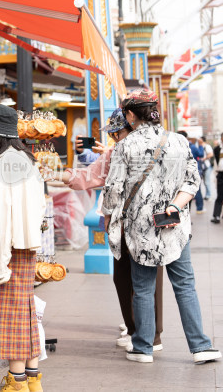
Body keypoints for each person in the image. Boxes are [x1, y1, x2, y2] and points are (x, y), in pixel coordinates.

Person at [102, 88, 221, 365]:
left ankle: (143, 348)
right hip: (175, 226)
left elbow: (113, 190)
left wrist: (109, 217)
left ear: (131, 115)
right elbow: (193, 181)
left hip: (140, 229)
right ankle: (200, 346)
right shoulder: (179, 141)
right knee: (185, 285)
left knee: (143, 287)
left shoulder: (124, 146)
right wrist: (175, 207)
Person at [41, 109, 164, 352]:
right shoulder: (126, 151)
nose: (115, 138)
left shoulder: (134, 150)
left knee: (138, 281)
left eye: (117, 133)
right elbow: (90, 175)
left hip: (139, 225)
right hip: (138, 225)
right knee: (134, 279)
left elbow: (92, 178)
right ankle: (141, 332)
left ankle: (147, 336)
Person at [0, 103, 46, 392]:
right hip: (26, 246)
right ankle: (31, 377)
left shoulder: (4, 162)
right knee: (25, 312)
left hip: (10, 248)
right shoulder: (25, 159)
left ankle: (16, 383)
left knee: (12, 316)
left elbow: (1, 216)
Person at [188, 135, 206, 213]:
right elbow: (201, 154)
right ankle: (199, 208)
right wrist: (201, 145)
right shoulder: (193, 147)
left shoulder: (181, 145)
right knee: (197, 190)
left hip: (185, 172)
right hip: (195, 170)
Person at [213, 134, 223, 223]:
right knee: (220, 195)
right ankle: (216, 216)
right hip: (221, 174)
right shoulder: (217, 149)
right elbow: (217, 161)